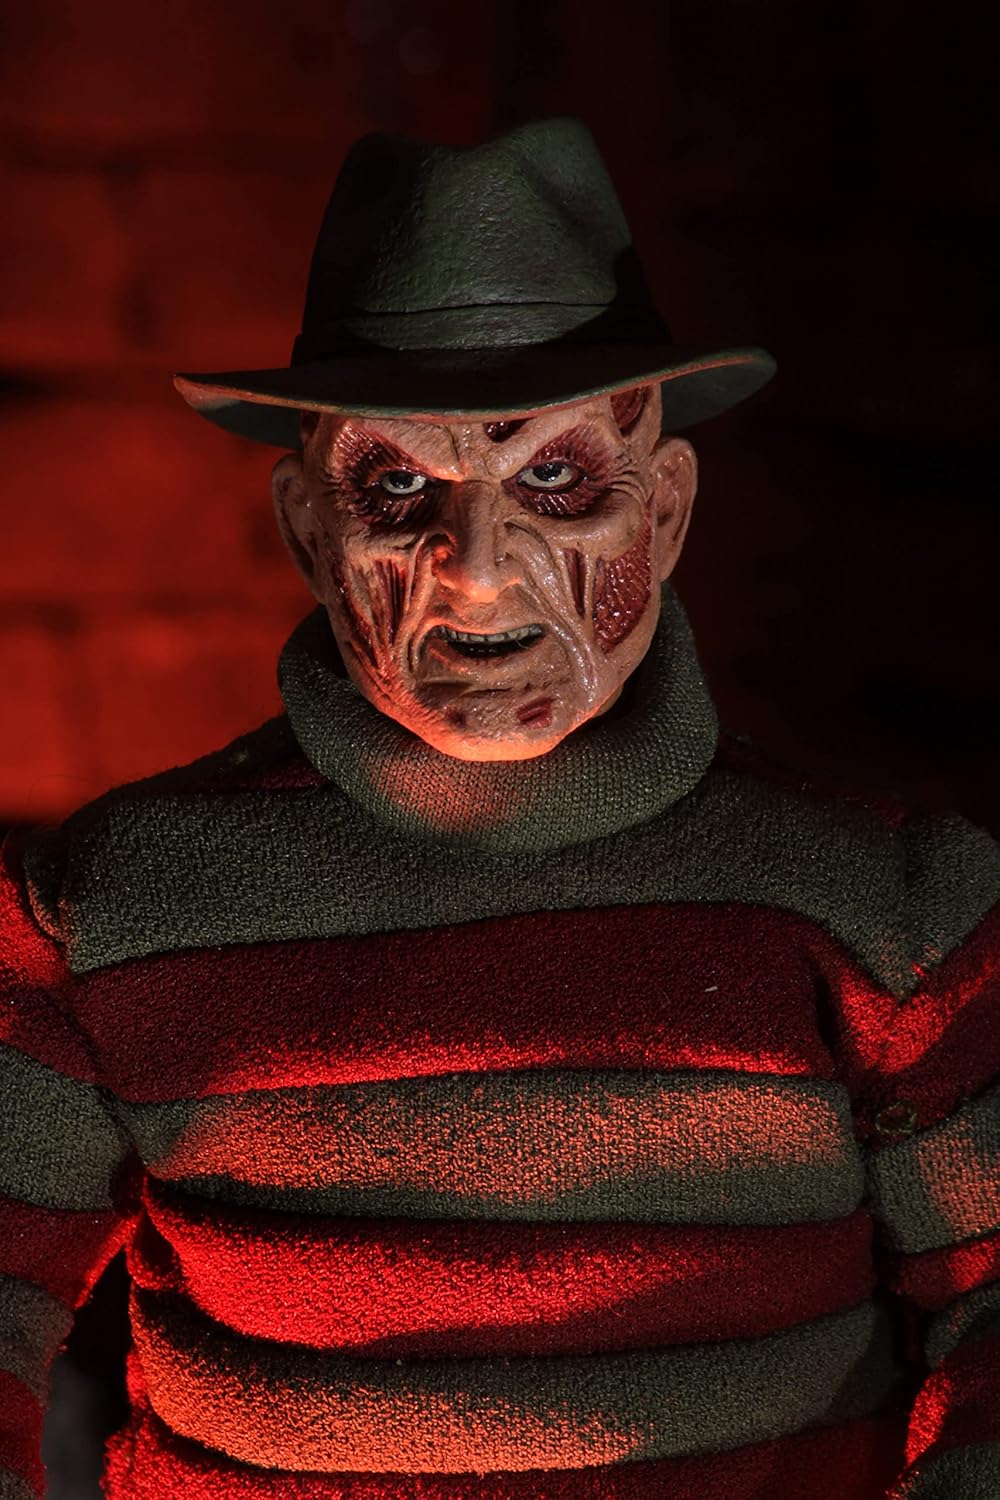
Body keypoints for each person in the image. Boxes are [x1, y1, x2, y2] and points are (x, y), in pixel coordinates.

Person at [1, 117, 998, 1500]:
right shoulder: (110, 909)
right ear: (307, 528)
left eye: (555, 479)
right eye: (396, 486)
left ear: (663, 512)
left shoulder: (887, 909)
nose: (474, 572)